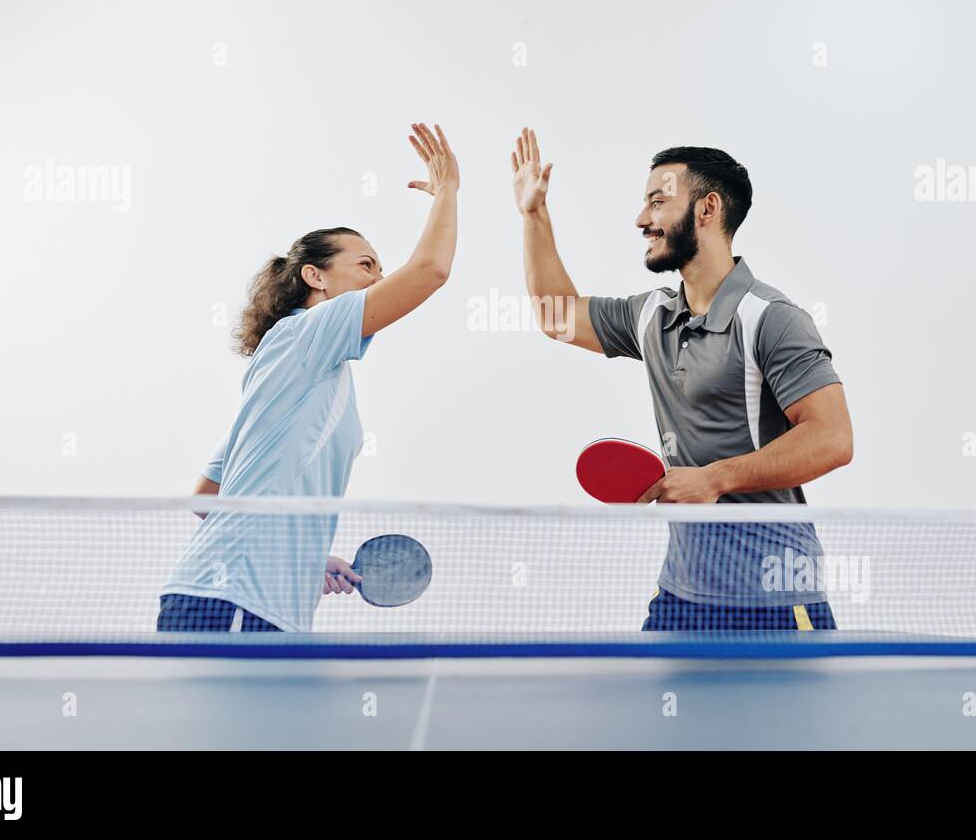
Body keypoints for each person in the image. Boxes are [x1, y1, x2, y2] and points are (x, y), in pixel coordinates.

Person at [510, 128, 853, 631]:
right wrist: (533, 215)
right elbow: (556, 317)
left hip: (775, 600)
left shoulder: (772, 318)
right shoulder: (652, 315)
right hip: (680, 594)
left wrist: (715, 478)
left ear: (707, 209)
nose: (641, 219)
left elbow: (833, 439)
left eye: (657, 202)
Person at [158, 124, 459, 632]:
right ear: (314, 277)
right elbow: (429, 271)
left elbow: (207, 497)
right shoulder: (304, 333)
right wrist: (447, 189)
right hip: (229, 595)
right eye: (366, 265)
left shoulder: (306, 379)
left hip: (269, 604)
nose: (380, 279)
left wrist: (306, 558)